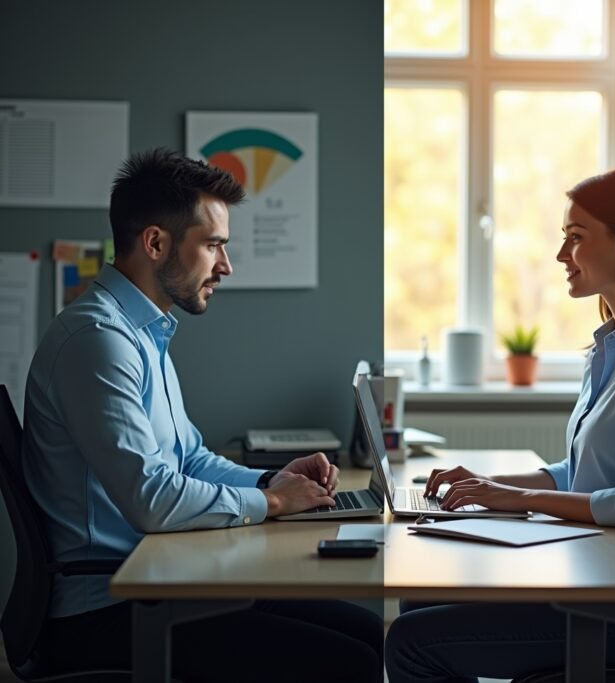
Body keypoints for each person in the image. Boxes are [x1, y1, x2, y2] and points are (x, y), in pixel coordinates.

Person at [23, 148, 382, 682]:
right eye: (213, 244)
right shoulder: (99, 341)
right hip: (106, 609)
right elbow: (152, 500)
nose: (226, 265)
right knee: (349, 663)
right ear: (155, 242)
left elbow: (187, 458)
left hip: (160, 580)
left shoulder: (143, 333)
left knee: (371, 635)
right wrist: (271, 501)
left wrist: (272, 480)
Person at [385, 169, 615, 682]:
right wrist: (488, 489)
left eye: (575, 238)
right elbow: (581, 471)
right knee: (417, 603)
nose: (561, 256)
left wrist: (521, 500)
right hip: (600, 577)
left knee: (412, 642)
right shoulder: (613, 347)